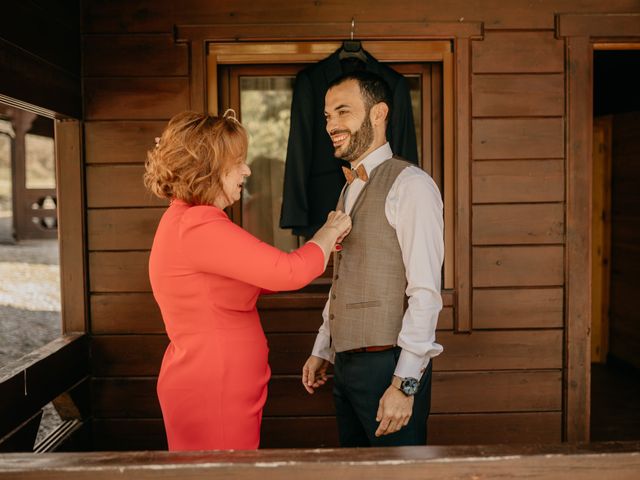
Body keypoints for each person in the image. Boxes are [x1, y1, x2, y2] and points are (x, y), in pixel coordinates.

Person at [144, 110, 351, 451]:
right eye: (238, 161)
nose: (247, 170)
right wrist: (328, 232)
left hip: (215, 384)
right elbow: (289, 272)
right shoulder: (198, 225)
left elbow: (262, 274)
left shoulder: (188, 220)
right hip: (214, 388)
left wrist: (324, 247)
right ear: (209, 167)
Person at [301, 71, 444, 447]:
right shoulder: (348, 188)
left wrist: (405, 383)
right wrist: (323, 348)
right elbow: (344, 278)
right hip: (346, 367)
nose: (331, 124)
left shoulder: (411, 185)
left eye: (343, 112)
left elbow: (426, 293)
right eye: (327, 116)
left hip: (390, 367)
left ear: (378, 113)